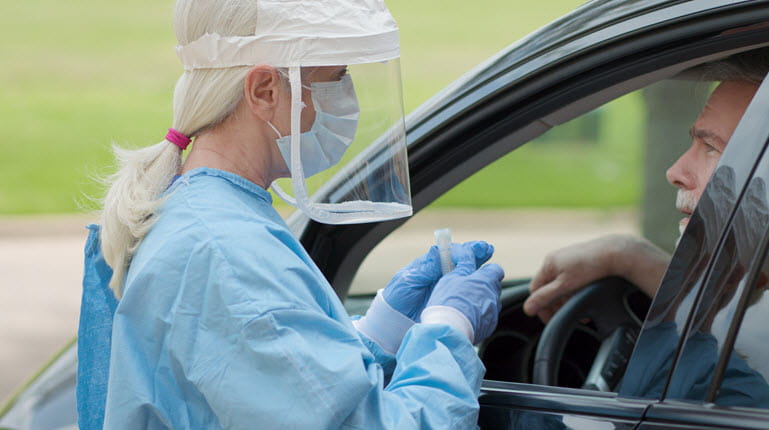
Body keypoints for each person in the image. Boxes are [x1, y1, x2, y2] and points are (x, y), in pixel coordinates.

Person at [75, 0, 504, 429]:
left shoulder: (211, 214)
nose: (348, 100)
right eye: (337, 79)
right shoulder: (227, 253)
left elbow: (270, 387)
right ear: (264, 90)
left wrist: (382, 328)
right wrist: (450, 329)